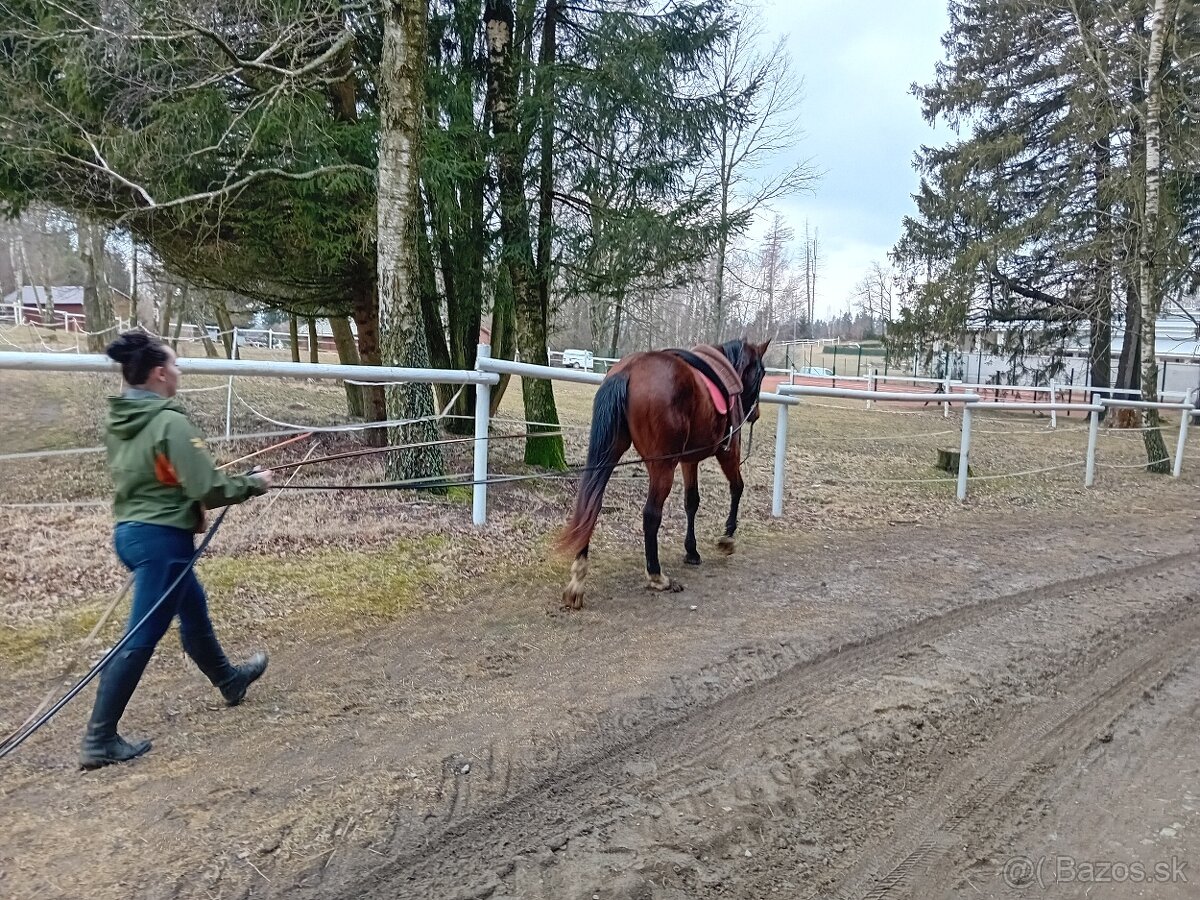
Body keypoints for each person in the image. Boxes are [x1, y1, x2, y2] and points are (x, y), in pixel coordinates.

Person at [80, 331, 275, 770]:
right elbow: (207, 487)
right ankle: (99, 738)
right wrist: (253, 484)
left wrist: (190, 499)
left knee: (193, 606)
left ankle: (229, 681)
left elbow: (162, 479)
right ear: (160, 372)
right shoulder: (171, 421)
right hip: (162, 541)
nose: (181, 372)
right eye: (177, 364)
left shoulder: (121, 420)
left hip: (133, 533)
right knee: (142, 634)